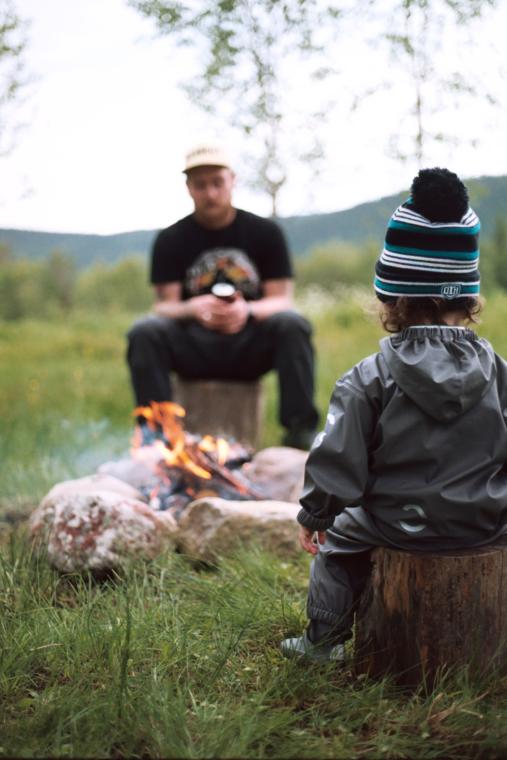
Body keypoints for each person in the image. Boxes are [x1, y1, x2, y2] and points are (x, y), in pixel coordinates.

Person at [281, 166, 507, 663]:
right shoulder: (498, 371)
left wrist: (317, 514)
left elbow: (337, 458)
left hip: (397, 522)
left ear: (392, 296)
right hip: (487, 522)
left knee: (339, 545)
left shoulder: (368, 376)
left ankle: (323, 641)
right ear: (468, 297)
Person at [127, 143, 319, 449]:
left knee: (293, 324)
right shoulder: (170, 240)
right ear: (189, 188)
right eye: (201, 185)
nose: (211, 193)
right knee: (145, 332)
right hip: (195, 349)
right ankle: (156, 436)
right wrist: (194, 307)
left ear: (232, 180)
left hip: (248, 347)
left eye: (217, 182)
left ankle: (300, 436)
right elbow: (164, 307)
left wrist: (248, 311)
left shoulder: (265, 233)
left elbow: (282, 300)